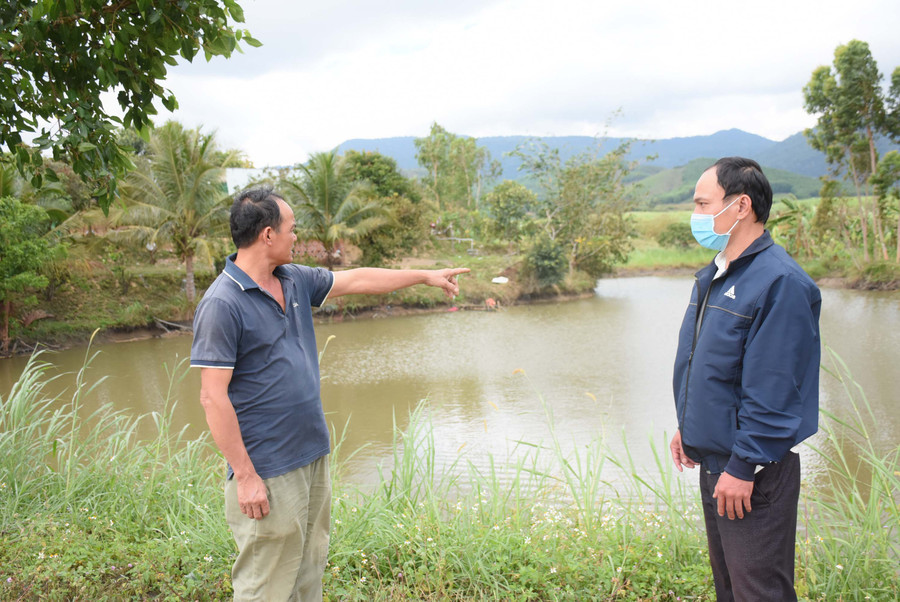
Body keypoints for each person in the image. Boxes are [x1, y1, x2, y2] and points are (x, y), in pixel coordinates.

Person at [190, 186, 469, 601]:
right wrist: (246, 476)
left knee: (308, 572)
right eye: (292, 229)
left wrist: (425, 276)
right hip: (267, 466)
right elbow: (213, 398)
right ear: (268, 235)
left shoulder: (294, 279)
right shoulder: (223, 302)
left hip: (311, 455)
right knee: (265, 584)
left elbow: (358, 279)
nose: (296, 237)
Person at [669, 157, 821, 601]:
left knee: (759, 592)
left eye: (703, 203)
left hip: (751, 472)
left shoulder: (779, 282)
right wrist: (689, 425)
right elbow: (711, 367)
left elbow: (774, 388)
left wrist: (744, 464)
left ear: (741, 207)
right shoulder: (717, 275)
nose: (696, 215)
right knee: (731, 589)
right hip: (718, 463)